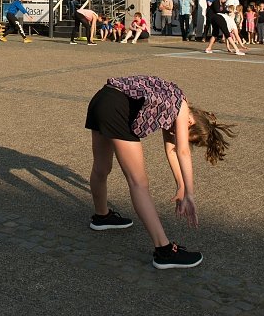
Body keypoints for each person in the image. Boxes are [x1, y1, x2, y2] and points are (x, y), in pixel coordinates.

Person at [85, 74, 236, 269]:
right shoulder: (181, 107)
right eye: (188, 136)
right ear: (190, 122)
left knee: (102, 167)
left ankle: (101, 216)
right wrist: (190, 193)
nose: (177, 134)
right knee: (138, 183)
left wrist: (180, 184)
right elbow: (181, 150)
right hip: (116, 108)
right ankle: (164, 251)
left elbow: (171, 149)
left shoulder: (169, 102)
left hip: (102, 98)